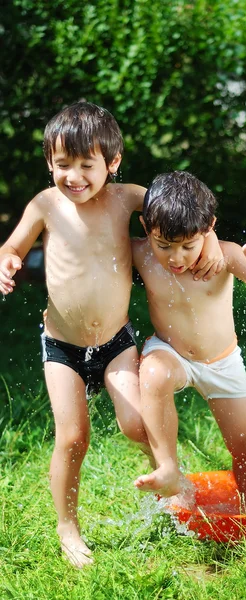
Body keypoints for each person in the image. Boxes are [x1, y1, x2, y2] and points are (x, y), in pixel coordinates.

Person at [0, 103, 222, 567]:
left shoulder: (127, 198)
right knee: (73, 436)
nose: (74, 176)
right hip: (61, 346)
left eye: (87, 165)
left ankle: (168, 479)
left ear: (112, 162)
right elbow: (13, 244)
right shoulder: (45, 205)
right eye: (63, 165)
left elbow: (184, 213)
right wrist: (7, 260)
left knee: (137, 424)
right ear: (49, 163)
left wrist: (213, 241)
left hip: (117, 341)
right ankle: (68, 526)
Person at [131, 171, 246, 505]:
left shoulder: (226, 254)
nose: (176, 258)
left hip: (221, 362)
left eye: (188, 246)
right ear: (146, 227)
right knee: (153, 371)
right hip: (171, 352)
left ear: (209, 227)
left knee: (245, 447)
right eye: (164, 245)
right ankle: (167, 468)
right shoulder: (140, 253)